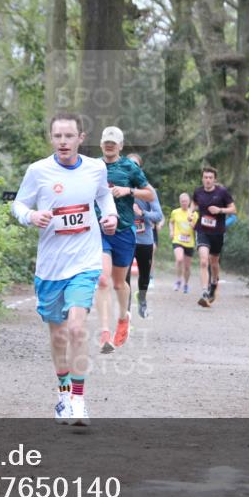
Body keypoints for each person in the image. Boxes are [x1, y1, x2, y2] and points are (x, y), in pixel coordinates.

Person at [11, 112, 118, 426]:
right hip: (50, 267)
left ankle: (79, 400)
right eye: (57, 136)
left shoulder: (96, 168)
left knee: (76, 329)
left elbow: (103, 197)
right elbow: (18, 204)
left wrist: (110, 217)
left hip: (84, 262)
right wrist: (30, 216)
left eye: (69, 136)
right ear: (51, 138)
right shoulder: (38, 171)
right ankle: (62, 393)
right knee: (58, 337)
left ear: (81, 138)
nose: (62, 142)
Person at [95, 127, 155, 353]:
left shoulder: (130, 167)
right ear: (101, 144)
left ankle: (123, 319)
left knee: (119, 283)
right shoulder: (92, 167)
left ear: (120, 146)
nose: (109, 145)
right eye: (106, 142)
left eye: (114, 142)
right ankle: (104, 333)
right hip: (99, 230)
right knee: (102, 279)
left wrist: (128, 191)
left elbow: (150, 194)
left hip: (123, 231)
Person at [125, 153, 163, 318]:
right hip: (125, 238)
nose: (132, 168)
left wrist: (142, 213)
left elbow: (158, 215)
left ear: (140, 168)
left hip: (144, 239)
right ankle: (125, 311)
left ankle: (142, 299)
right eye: (129, 164)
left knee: (144, 276)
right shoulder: (120, 188)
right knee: (124, 277)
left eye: (136, 165)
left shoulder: (148, 190)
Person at [192, 166, 236, 307]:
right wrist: (191, 212)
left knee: (214, 262)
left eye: (210, 178)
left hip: (217, 232)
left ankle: (213, 284)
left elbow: (234, 210)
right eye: (205, 177)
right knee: (204, 261)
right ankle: (204, 292)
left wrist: (220, 210)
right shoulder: (198, 192)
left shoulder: (222, 192)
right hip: (202, 230)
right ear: (202, 178)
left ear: (214, 179)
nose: (208, 180)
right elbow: (194, 203)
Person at [169, 192, 199, 293]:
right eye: (182, 202)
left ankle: (186, 284)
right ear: (179, 202)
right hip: (178, 239)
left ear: (189, 202)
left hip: (189, 242)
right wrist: (171, 231)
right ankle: (178, 280)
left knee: (187, 267)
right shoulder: (175, 212)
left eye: (186, 201)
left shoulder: (194, 214)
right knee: (179, 259)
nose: (184, 203)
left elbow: (197, 229)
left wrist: (192, 224)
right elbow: (171, 222)